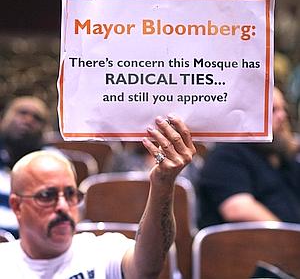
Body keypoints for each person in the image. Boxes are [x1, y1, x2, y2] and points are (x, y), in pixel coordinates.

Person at [0, 115, 195, 278]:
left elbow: (148, 266)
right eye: (47, 196)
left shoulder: (102, 251)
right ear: (17, 206)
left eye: (70, 194)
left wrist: (162, 184)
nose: (62, 206)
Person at [197, 87, 300, 228]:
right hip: (253, 246)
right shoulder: (227, 155)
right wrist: (289, 239)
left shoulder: (284, 158)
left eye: (284, 109)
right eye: (272, 111)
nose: (282, 117)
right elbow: (238, 209)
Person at [0, 96, 50, 237]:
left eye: (37, 118)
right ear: (4, 118)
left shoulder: (52, 162)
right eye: (22, 113)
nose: (28, 120)